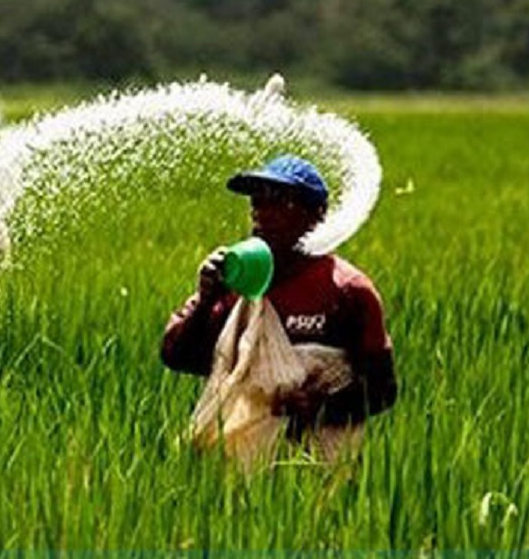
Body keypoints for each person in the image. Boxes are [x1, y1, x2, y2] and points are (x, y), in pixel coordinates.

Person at [161, 154, 397, 450]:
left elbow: (382, 390)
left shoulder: (347, 290)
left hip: (319, 464)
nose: (262, 213)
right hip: (239, 467)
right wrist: (207, 300)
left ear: (317, 215)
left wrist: (319, 406)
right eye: (257, 202)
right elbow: (178, 356)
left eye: (280, 202)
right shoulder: (237, 281)